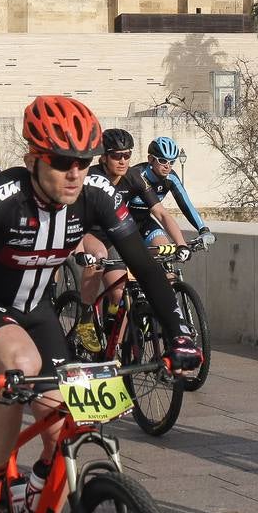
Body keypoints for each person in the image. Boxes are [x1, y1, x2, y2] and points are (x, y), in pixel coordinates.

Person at [0, 96, 201, 513]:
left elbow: (146, 268)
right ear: (33, 159)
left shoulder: (96, 196)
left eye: (84, 163)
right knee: (22, 366)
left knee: (63, 430)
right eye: (62, 162)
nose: (75, 173)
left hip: (35, 308)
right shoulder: (1, 196)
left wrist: (179, 334)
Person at [73, 127, 192, 354]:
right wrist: (79, 250)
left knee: (121, 294)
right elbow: (71, 215)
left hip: (116, 235)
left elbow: (162, 214)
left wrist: (181, 243)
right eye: (117, 156)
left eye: (127, 155)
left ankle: (114, 347)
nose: (123, 160)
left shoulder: (134, 177)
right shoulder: (90, 177)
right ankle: (86, 319)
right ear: (104, 157)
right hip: (88, 232)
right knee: (97, 259)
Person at [126, 137, 214, 247]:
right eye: (162, 160)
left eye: (172, 162)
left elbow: (186, 205)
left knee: (165, 250)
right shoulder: (135, 175)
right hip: (123, 222)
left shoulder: (171, 178)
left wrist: (203, 229)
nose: (167, 166)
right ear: (150, 159)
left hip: (144, 222)